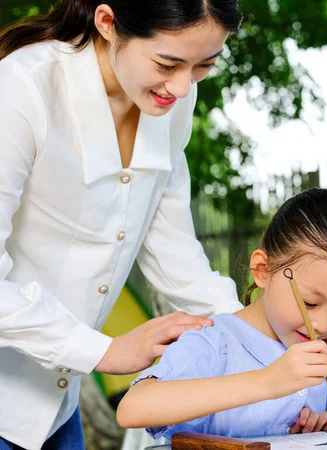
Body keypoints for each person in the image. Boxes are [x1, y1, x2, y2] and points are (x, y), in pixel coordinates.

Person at [0, 1, 246, 448]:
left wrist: (264, 337)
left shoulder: (171, 102)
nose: (182, 87)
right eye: (167, 63)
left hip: (55, 409)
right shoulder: (23, 87)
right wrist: (107, 351)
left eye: (203, 66)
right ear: (108, 23)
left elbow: (176, 258)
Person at [115, 188, 327, 439]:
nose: (323, 324)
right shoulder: (214, 342)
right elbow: (133, 408)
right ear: (263, 270)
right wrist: (268, 382)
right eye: (309, 303)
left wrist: (311, 437)